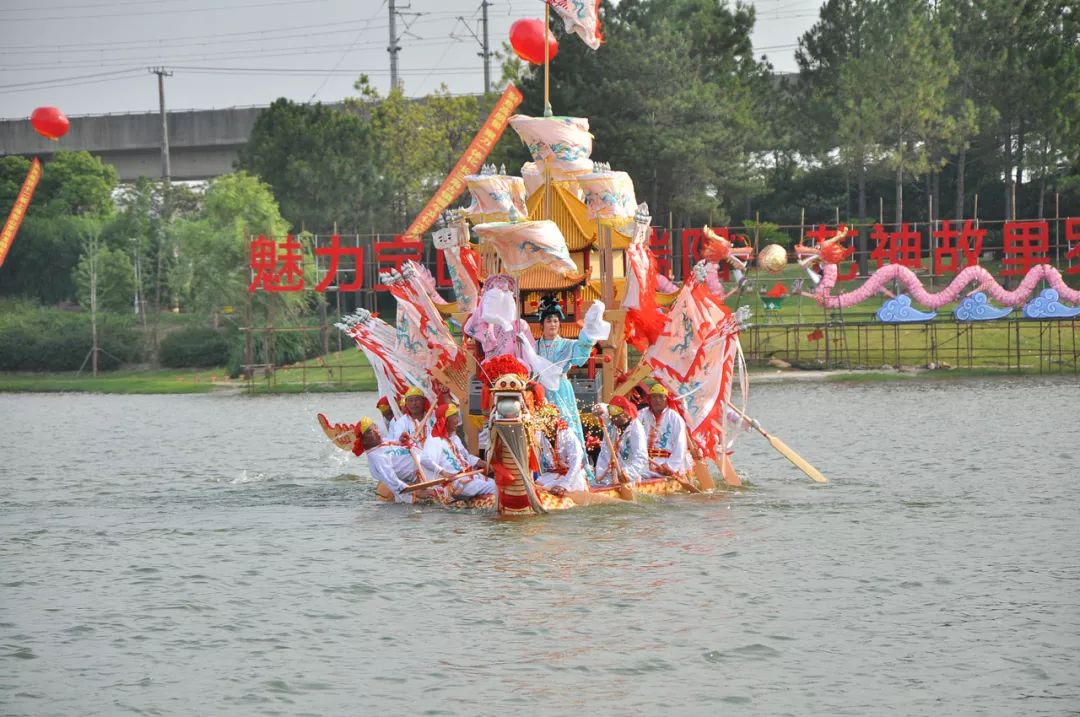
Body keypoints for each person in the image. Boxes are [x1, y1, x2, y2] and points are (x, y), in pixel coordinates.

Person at [533, 295, 608, 465]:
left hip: (561, 389)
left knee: (565, 425)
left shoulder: (568, 344)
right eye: (549, 321)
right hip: (540, 391)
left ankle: (573, 465)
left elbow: (579, 357)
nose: (553, 324)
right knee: (540, 429)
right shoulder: (534, 347)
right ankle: (544, 466)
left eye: (555, 321)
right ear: (542, 325)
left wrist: (590, 328)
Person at [421, 403, 494, 500]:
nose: (458, 420)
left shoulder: (454, 437)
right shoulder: (434, 440)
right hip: (453, 483)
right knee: (494, 488)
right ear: (445, 420)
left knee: (495, 483)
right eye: (454, 416)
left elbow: (466, 457)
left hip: (468, 476)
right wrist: (443, 472)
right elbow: (425, 460)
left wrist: (483, 463)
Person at [351, 417, 431, 503]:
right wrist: (417, 491)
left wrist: (401, 442)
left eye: (375, 427)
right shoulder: (378, 458)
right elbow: (394, 482)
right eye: (371, 431)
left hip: (419, 473)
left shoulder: (381, 443)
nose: (377, 431)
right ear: (364, 441)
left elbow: (394, 444)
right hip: (407, 492)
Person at [638, 383, 694, 481]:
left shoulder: (675, 418)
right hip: (643, 465)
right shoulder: (640, 415)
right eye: (654, 397)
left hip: (666, 464)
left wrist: (671, 466)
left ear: (666, 399)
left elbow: (680, 446)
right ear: (649, 399)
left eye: (661, 397)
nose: (657, 400)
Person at [591, 396, 648, 486]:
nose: (612, 419)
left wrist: (628, 474)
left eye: (615, 416)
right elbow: (600, 408)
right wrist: (596, 408)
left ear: (626, 414)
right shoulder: (612, 418)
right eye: (611, 416)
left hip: (626, 478)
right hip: (604, 475)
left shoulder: (636, 430)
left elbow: (641, 458)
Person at [533, 404, 588, 496]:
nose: (545, 424)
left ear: (555, 420)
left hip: (572, 476)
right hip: (552, 476)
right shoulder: (539, 433)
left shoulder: (567, 434)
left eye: (549, 419)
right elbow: (534, 458)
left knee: (553, 489)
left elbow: (576, 461)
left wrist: (564, 485)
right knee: (538, 484)